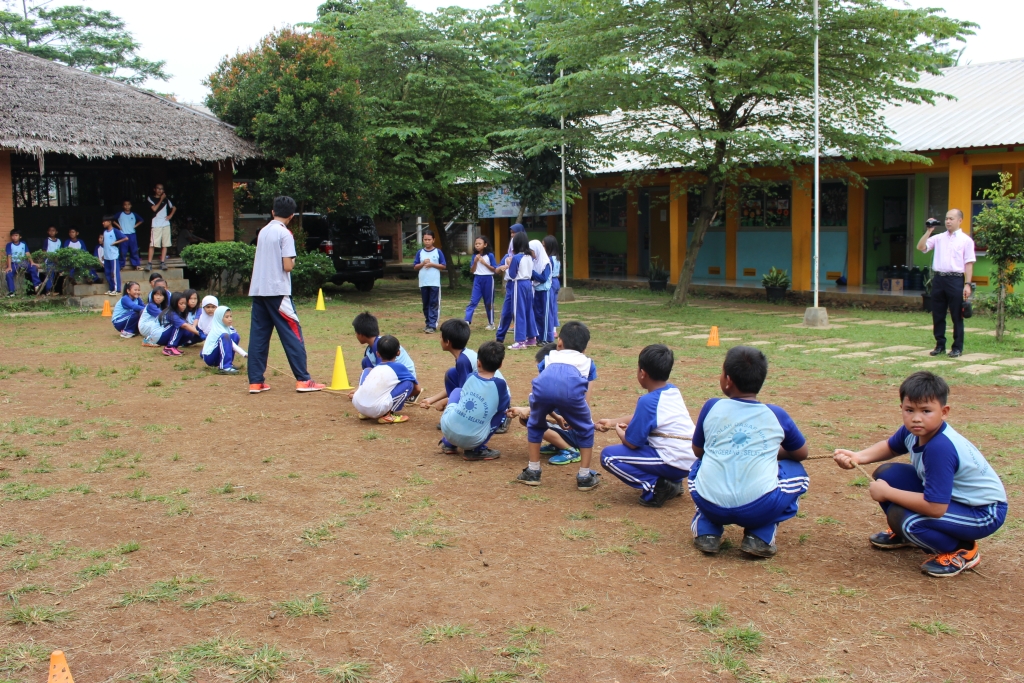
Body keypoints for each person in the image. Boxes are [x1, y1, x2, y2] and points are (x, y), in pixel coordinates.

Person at [834, 372, 1006, 577]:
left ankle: (962, 550)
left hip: (982, 513)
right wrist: (859, 457)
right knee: (887, 474)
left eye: (926, 411)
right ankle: (909, 536)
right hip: (951, 499)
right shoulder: (913, 430)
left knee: (906, 519)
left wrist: (887, 493)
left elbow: (935, 507)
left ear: (944, 412)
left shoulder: (940, 448)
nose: (916, 418)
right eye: (910, 410)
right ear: (902, 409)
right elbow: (890, 446)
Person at [689, 346, 809, 558]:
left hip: (710, 503)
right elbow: (801, 453)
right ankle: (760, 535)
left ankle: (706, 531)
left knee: (700, 464)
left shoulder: (711, 407)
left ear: (728, 380)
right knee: (797, 472)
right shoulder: (776, 414)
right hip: (759, 508)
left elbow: (698, 450)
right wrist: (771, 451)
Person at [597, 344, 695, 508]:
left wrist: (620, 432)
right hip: (688, 460)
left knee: (609, 456)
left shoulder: (647, 401)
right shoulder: (672, 390)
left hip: (673, 461)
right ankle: (674, 484)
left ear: (642, 373)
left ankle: (657, 487)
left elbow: (632, 443)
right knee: (651, 439)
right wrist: (612, 422)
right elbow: (640, 417)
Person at [247, 195, 324, 394]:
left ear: (273, 212)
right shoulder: (285, 234)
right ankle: (303, 380)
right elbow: (287, 266)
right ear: (291, 216)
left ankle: (256, 382)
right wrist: (294, 261)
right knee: (292, 333)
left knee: (258, 336)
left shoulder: (263, 231)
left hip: (259, 290)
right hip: (277, 291)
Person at [516, 321, 600, 491]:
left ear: (559, 342)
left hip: (542, 391)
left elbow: (546, 383)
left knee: (534, 424)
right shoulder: (588, 363)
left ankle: (533, 471)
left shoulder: (549, 358)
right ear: (584, 348)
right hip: (572, 396)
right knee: (586, 429)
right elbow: (584, 397)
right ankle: (584, 476)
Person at [917, 210, 976, 358]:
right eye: (946, 218)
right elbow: (921, 247)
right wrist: (929, 231)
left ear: (960, 220)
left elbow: (969, 263)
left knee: (957, 315)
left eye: (951, 219)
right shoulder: (938, 238)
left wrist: (967, 284)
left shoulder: (966, 240)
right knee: (938, 314)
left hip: (955, 279)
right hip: (939, 279)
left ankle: (957, 347)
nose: (948, 221)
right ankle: (940, 345)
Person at [439, 341, 509, 461]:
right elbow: (503, 406)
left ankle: (448, 444)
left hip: (447, 429)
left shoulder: (470, 377)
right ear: (500, 365)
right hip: (473, 440)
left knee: (457, 391)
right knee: (502, 411)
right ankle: (476, 450)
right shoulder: (500, 384)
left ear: (478, 362)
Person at [349, 335, 418, 424]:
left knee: (367, 370)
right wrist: (401, 399)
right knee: (409, 383)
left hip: (357, 403)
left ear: (377, 354)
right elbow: (417, 389)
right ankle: (387, 415)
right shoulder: (399, 367)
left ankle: (364, 412)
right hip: (376, 409)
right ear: (398, 353)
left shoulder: (376, 368)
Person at [352, 311, 419, 400]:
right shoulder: (372, 347)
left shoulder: (380, 346)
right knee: (366, 361)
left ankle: (407, 394)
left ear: (361, 334)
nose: (356, 335)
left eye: (356, 333)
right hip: (392, 372)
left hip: (403, 377)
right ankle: (368, 391)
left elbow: (382, 372)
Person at [420, 319, 477, 412]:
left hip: (486, 396)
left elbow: (464, 392)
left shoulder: (463, 361)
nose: (440, 340)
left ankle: (458, 414)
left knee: (453, 374)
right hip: (481, 390)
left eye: (441, 337)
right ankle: (455, 410)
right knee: (452, 373)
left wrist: (445, 402)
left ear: (447, 342)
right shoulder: (465, 355)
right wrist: (431, 400)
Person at [495, 232, 536, 350]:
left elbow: (512, 274)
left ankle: (520, 340)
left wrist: (508, 263)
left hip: (518, 284)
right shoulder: (529, 256)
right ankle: (532, 338)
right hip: (528, 284)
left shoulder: (516, 257)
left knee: (518, 312)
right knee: (528, 311)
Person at [413, 230, 446, 333]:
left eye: (429, 239)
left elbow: (443, 266)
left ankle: (432, 324)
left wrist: (432, 264)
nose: (427, 241)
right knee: (425, 304)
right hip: (423, 283)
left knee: (434, 303)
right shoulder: (420, 252)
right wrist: (423, 263)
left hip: (434, 282)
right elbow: (415, 266)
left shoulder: (438, 252)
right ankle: (428, 323)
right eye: (425, 239)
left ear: (433, 240)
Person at [201, 306, 248, 375]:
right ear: (220, 318)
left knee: (235, 336)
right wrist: (245, 354)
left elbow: (232, 341)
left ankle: (228, 363)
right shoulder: (217, 330)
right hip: (210, 357)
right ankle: (224, 367)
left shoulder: (228, 328)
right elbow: (232, 345)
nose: (230, 319)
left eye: (230, 316)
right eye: (227, 317)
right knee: (225, 336)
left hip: (217, 356)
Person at [156, 292, 205, 356]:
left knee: (189, 332)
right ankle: (170, 347)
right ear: (174, 303)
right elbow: (184, 325)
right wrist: (200, 334)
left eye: (185, 303)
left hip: (163, 334)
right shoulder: (171, 313)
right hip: (158, 335)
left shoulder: (178, 312)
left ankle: (174, 347)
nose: (184, 305)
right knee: (181, 326)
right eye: (181, 303)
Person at [464, 236, 497, 330]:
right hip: (477, 279)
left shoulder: (490, 255)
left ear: (485, 245)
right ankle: (467, 320)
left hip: (488, 279)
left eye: (479, 244)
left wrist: (484, 263)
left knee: (488, 302)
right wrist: (475, 262)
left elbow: (494, 269)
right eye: (476, 244)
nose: (477, 245)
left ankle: (491, 323)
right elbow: (472, 270)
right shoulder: (475, 256)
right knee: (473, 301)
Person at [4, 228, 42, 297]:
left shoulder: (23, 244)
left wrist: (32, 262)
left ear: (20, 236)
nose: (14, 237)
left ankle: (36, 284)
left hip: (23, 262)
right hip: (14, 263)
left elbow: (27, 253)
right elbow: (9, 256)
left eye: (16, 235)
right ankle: (12, 292)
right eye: (13, 236)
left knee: (33, 268)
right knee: (9, 274)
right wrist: (9, 266)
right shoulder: (9, 245)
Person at [147, 183, 176, 272]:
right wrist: (161, 199)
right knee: (153, 244)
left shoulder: (167, 200)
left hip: (165, 224)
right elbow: (154, 209)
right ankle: (149, 263)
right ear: (154, 189)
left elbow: (174, 207)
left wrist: (170, 215)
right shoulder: (150, 198)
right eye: (158, 189)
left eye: (161, 189)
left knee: (165, 244)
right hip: (156, 224)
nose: (160, 190)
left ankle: (162, 262)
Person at [530, 238, 552, 344]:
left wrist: (532, 273)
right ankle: (539, 337)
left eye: (532, 251)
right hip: (536, 290)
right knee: (537, 314)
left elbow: (543, 278)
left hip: (545, 291)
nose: (531, 254)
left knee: (545, 315)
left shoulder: (545, 262)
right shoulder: (534, 262)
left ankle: (546, 338)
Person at [100, 216, 128, 296]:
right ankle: (111, 288)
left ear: (109, 222)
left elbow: (125, 238)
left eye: (105, 221)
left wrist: (116, 242)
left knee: (114, 273)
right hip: (106, 256)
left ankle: (117, 289)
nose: (103, 223)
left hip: (113, 255)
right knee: (108, 273)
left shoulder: (115, 231)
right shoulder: (105, 232)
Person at [116, 200, 145, 270]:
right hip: (123, 235)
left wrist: (135, 226)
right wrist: (118, 226)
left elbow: (141, 220)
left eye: (128, 204)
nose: (127, 206)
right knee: (122, 251)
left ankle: (136, 265)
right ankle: (121, 265)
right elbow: (112, 219)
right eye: (125, 205)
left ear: (131, 205)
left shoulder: (134, 214)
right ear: (123, 206)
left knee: (134, 250)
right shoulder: (120, 214)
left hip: (132, 234)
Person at [544, 235, 561, 342]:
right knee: (553, 305)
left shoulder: (549, 259)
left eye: (544, 246)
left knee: (549, 306)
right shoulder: (557, 258)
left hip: (550, 282)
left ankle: (552, 329)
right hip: (556, 282)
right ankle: (554, 328)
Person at [41, 225, 62, 295]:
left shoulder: (59, 241)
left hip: (57, 260)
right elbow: (44, 251)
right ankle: (48, 291)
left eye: (53, 230)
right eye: (50, 230)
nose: (52, 232)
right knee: (50, 272)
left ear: (56, 232)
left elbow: (60, 252)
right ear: (48, 232)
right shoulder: (47, 240)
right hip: (49, 260)